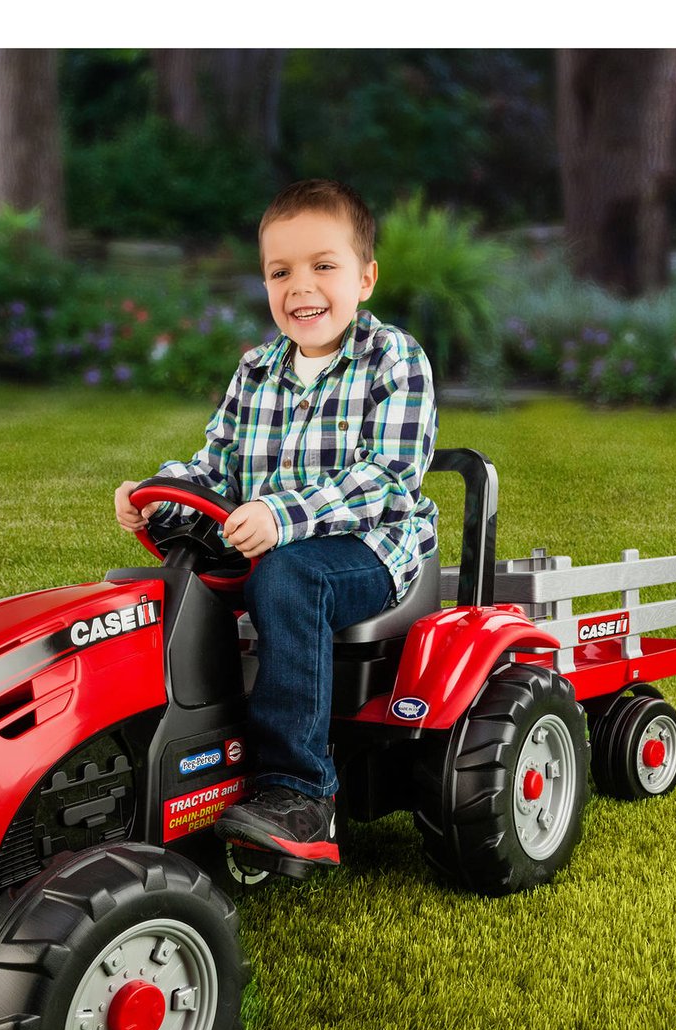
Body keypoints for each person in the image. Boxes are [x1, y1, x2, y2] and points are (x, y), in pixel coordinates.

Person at [113, 179, 438, 869]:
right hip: (263, 543)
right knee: (158, 582)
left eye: (324, 265)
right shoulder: (256, 370)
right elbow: (216, 467)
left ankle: (301, 792)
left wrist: (282, 516)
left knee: (289, 578)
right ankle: (170, 752)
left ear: (365, 279)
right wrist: (160, 496)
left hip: (369, 551)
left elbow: (389, 478)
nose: (301, 287)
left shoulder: (394, 359)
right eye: (281, 272)